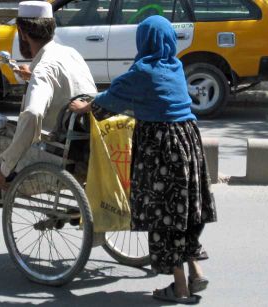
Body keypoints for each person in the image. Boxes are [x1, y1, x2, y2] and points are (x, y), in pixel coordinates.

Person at [69, 15, 217, 304]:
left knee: (165, 216)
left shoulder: (142, 71)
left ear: (144, 41)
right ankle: (196, 271)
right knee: (185, 211)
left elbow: (111, 98)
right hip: (189, 141)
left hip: (162, 147)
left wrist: (83, 106)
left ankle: (180, 289)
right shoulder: (175, 66)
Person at [0, 0, 97, 189]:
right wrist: (32, 76)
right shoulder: (70, 54)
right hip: (82, 150)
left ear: (22, 33)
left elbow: (33, 113)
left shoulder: (43, 70)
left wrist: (5, 167)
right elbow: (65, 85)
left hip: (53, 153)